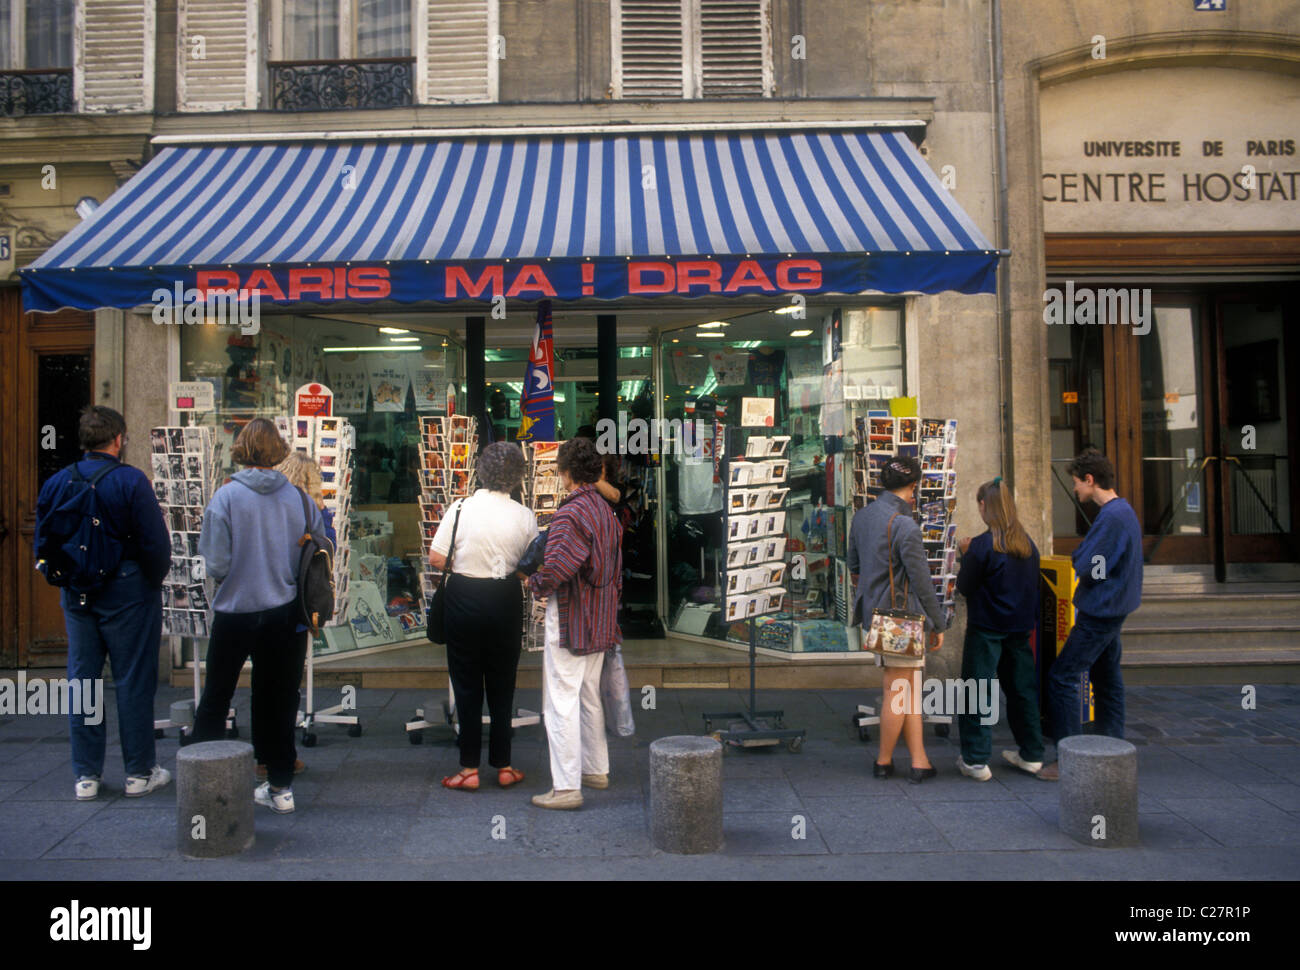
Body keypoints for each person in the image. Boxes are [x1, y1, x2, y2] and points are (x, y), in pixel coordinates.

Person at [35, 406, 173, 801]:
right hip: (127, 590)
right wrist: (149, 580)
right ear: (118, 439)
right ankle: (139, 771)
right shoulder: (131, 482)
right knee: (132, 681)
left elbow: (44, 542)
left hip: (77, 593)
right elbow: (155, 545)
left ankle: (86, 776)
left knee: (83, 681)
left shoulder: (57, 482)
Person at [192, 418, 324, 814]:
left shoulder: (226, 498)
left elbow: (215, 562)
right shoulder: (299, 499)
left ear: (240, 449)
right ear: (279, 450)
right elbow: (317, 548)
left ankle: (204, 778)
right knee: (279, 697)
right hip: (284, 611)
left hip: (236, 611)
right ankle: (280, 784)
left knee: (218, 694)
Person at [429, 442, 538, 791]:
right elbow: (529, 566)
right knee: (503, 683)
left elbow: (436, 558)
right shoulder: (524, 515)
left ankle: (468, 768)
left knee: (466, 683)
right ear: (519, 476)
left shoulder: (461, 508)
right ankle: (504, 765)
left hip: (464, 597)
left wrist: (464, 565)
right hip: (505, 598)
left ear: (481, 470)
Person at [527, 437, 622, 810]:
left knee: (560, 701)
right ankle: (596, 769)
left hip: (572, 618)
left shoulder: (571, 513)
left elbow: (559, 568)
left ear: (565, 474)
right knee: (588, 696)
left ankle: (566, 787)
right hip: (600, 618)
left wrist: (534, 582)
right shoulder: (605, 511)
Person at [1038, 448, 1142, 782]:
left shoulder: (1111, 517)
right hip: (1113, 607)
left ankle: (1071, 759)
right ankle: (1112, 748)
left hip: (1101, 610)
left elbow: (1086, 564)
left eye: (1076, 484)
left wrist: (1084, 559)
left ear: (1090, 479)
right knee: (1106, 676)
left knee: (1063, 676)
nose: (1075, 490)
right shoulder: (1121, 513)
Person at [847, 456, 948, 783]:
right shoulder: (904, 524)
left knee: (908, 688)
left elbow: (853, 564)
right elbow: (921, 581)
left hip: (875, 614)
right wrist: (939, 623)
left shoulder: (862, 517)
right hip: (900, 618)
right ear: (913, 486)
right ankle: (884, 760)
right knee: (898, 690)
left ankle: (919, 760)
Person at [954, 477, 1044, 781]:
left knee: (977, 690)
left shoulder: (981, 546)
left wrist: (964, 556)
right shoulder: (1026, 544)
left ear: (984, 506)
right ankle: (1031, 753)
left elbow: (965, 587)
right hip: (1019, 627)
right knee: (1021, 690)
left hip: (987, 627)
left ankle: (976, 759)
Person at [260, 449, 338, 780]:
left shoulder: (259, 503)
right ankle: (283, 759)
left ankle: (262, 757)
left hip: (258, 603)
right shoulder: (307, 507)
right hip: (293, 604)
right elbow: (325, 548)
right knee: (287, 683)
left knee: (263, 685)